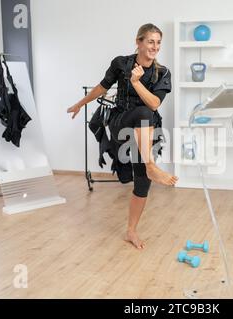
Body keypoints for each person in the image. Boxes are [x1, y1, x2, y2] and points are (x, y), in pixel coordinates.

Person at [67, 23, 178, 249]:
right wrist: (80, 104)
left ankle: (131, 231)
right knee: (143, 113)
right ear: (138, 42)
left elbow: (155, 102)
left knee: (143, 182)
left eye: (158, 42)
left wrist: (136, 83)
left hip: (144, 133)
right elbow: (102, 88)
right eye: (150, 41)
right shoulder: (121, 63)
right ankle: (151, 164)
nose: (155, 47)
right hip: (121, 125)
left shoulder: (162, 72)